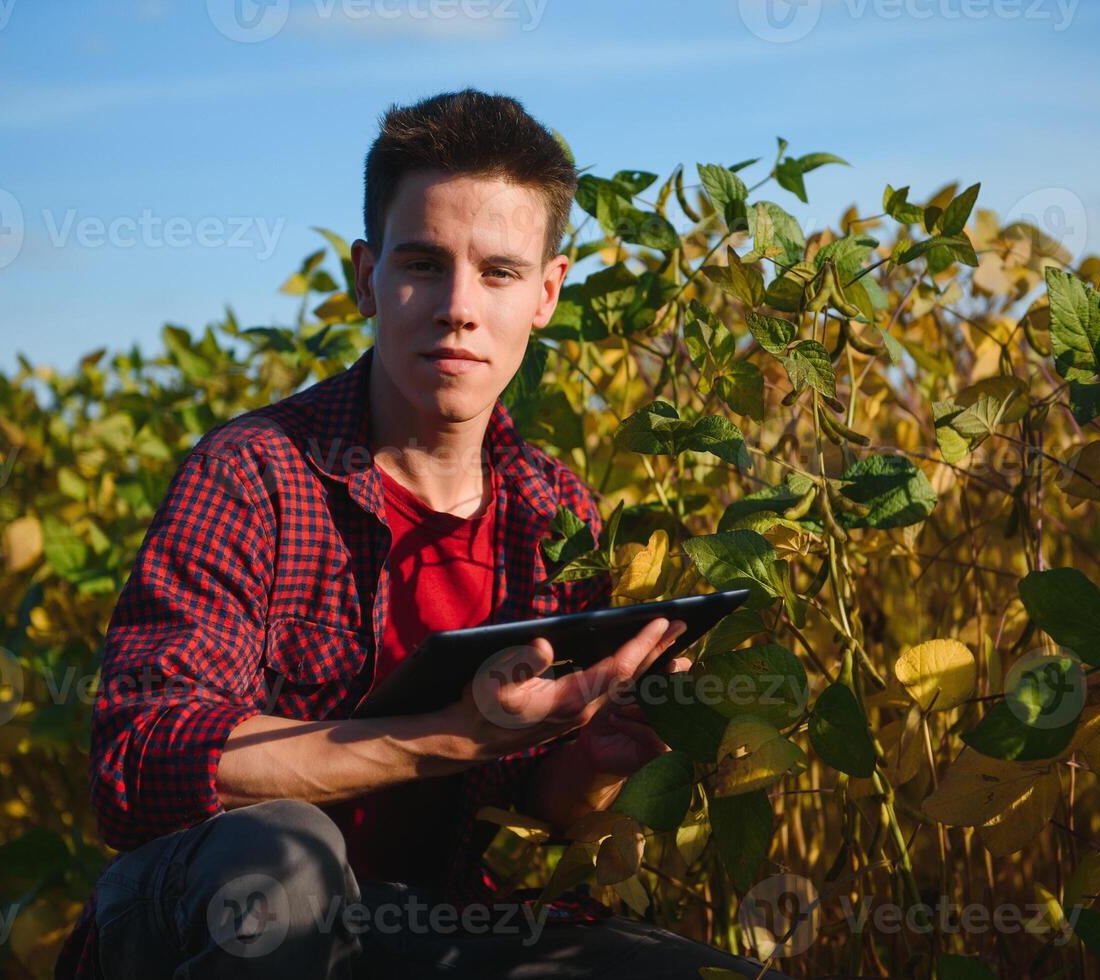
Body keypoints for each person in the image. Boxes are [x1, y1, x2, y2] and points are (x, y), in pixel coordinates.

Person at [55, 88, 790, 979]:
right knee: (287, 855)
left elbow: (525, 804)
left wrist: (593, 758)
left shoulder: (554, 515)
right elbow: (140, 761)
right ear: (366, 278)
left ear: (548, 293)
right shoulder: (253, 472)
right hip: (203, 925)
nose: (458, 306)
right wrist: (446, 735)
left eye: (500, 272)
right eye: (422, 264)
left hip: (419, 926)